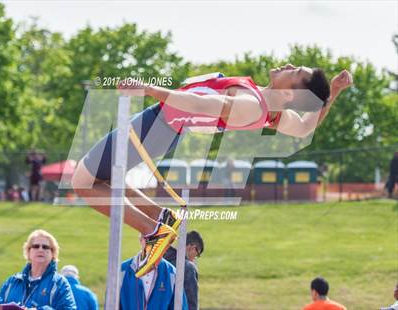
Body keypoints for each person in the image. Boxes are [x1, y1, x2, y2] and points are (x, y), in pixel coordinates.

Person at [72, 65, 353, 277]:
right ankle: (162, 217)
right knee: (104, 180)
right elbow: (305, 127)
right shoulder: (270, 110)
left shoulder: (253, 106)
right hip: (163, 126)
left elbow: (200, 104)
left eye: (295, 71)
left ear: (290, 92)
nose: (289, 65)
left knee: (82, 182)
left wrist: (150, 89)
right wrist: (335, 92)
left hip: (158, 125)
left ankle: (152, 230)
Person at [0, 229, 76, 310]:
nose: (40, 249)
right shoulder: (13, 281)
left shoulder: (60, 283)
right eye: (36, 246)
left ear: (53, 254)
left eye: (45, 247)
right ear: (28, 252)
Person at [120, 235, 188, 310]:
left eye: (156, 239)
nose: (151, 243)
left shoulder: (172, 273)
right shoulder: (122, 271)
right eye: (148, 238)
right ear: (141, 239)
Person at [163, 230, 204, 310]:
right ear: (192, 247)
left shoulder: (160, 261)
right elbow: (191, 302)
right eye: (197, 254)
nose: (194, 259)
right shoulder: (189, 268)